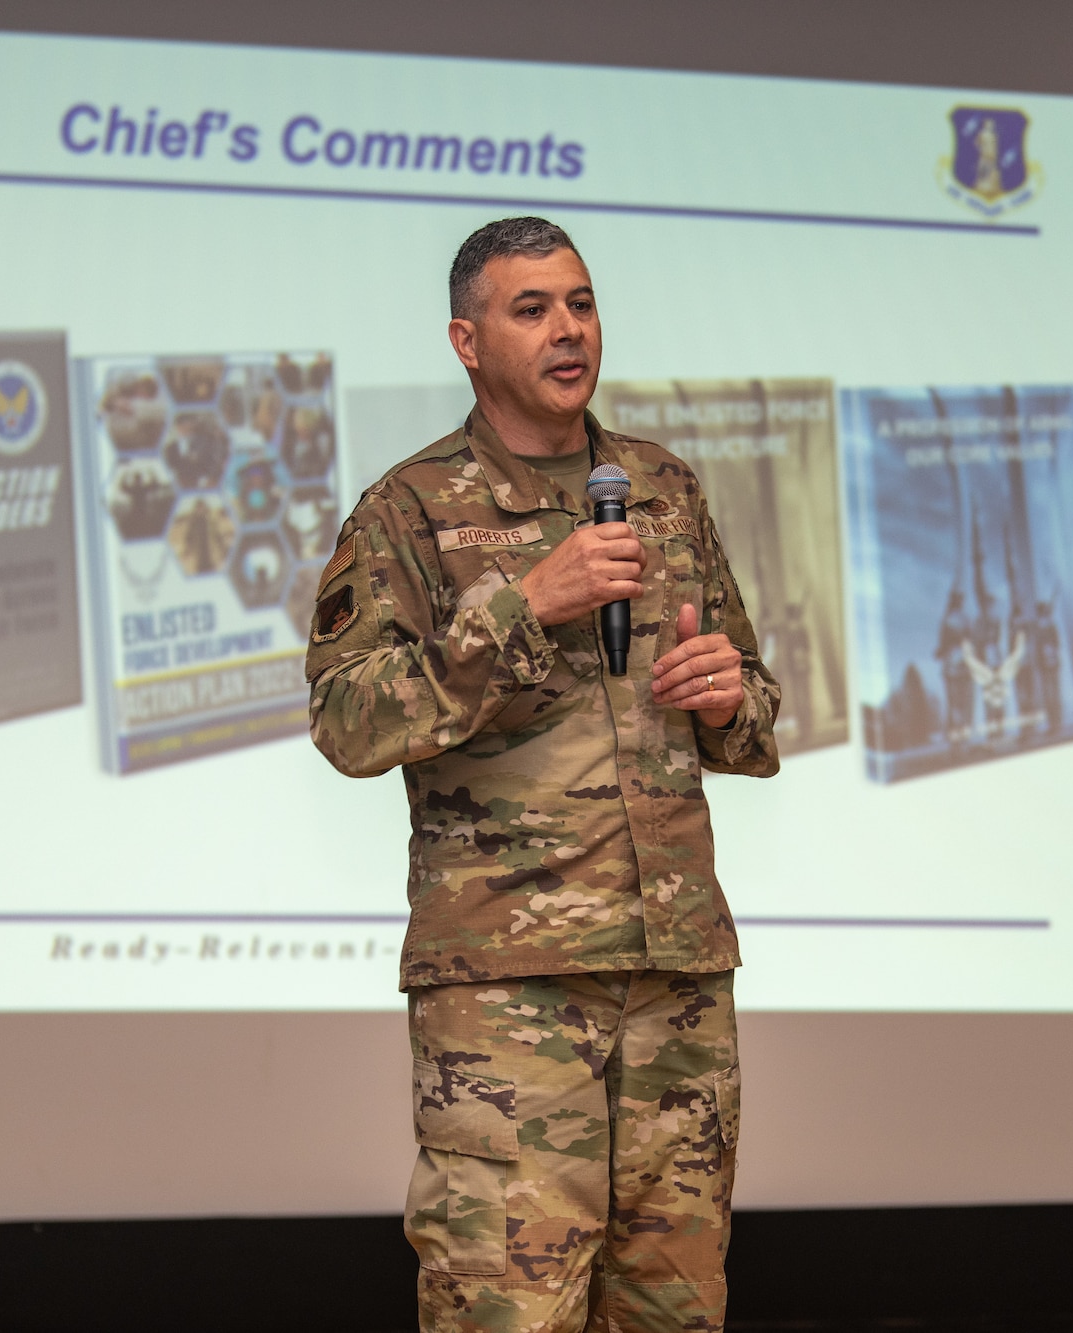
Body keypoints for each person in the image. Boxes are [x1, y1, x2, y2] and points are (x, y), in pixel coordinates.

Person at [305, 217, 781, 1333]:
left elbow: (752, 713)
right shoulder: (405, 510)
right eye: (532, 310)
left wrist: (727, 696)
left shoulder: (660, 488)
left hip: (674, 983)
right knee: (503, 1314)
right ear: (467, 342)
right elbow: (347, 722)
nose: (567, 330)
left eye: (580, 302)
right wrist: (524, 604)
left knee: (675, 1313)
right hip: (508, 999)